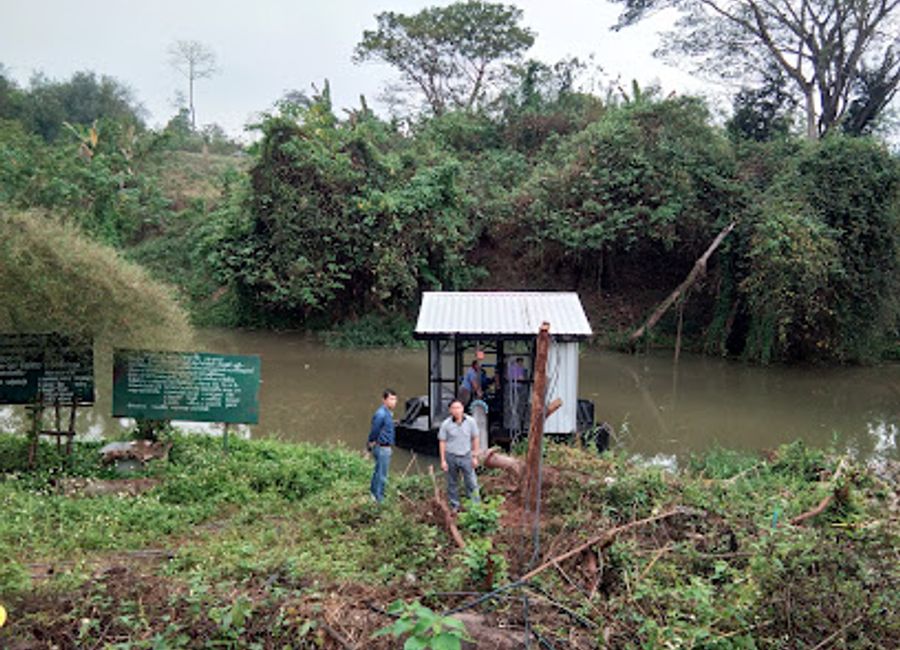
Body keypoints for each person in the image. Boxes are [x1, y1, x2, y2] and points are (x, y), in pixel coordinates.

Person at [438, 398, 480, 511]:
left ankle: (475, 505)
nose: (456, 410)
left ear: (463, 409)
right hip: (451, 455)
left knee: (471, 481)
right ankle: (454, 505)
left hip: (466, 455)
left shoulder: (471, 421)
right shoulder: (445, 424)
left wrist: (475, 456)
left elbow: (475, 438)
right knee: (452, 482)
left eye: (459, 408)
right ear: (450, 410)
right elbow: (442, 442)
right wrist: (443, 460)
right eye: (454, 408)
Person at [367, 388, 397, 503]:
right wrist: (371, 443)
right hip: (382, 447)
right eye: (391, 399)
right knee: (382, 473)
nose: (393, 402)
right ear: (384, 400)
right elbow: (374, 430)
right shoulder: (381, 414)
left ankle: (374, 494)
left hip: (384, 446)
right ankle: (379, 499)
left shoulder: (387, 413)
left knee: (378, 471)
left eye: (395, 399)